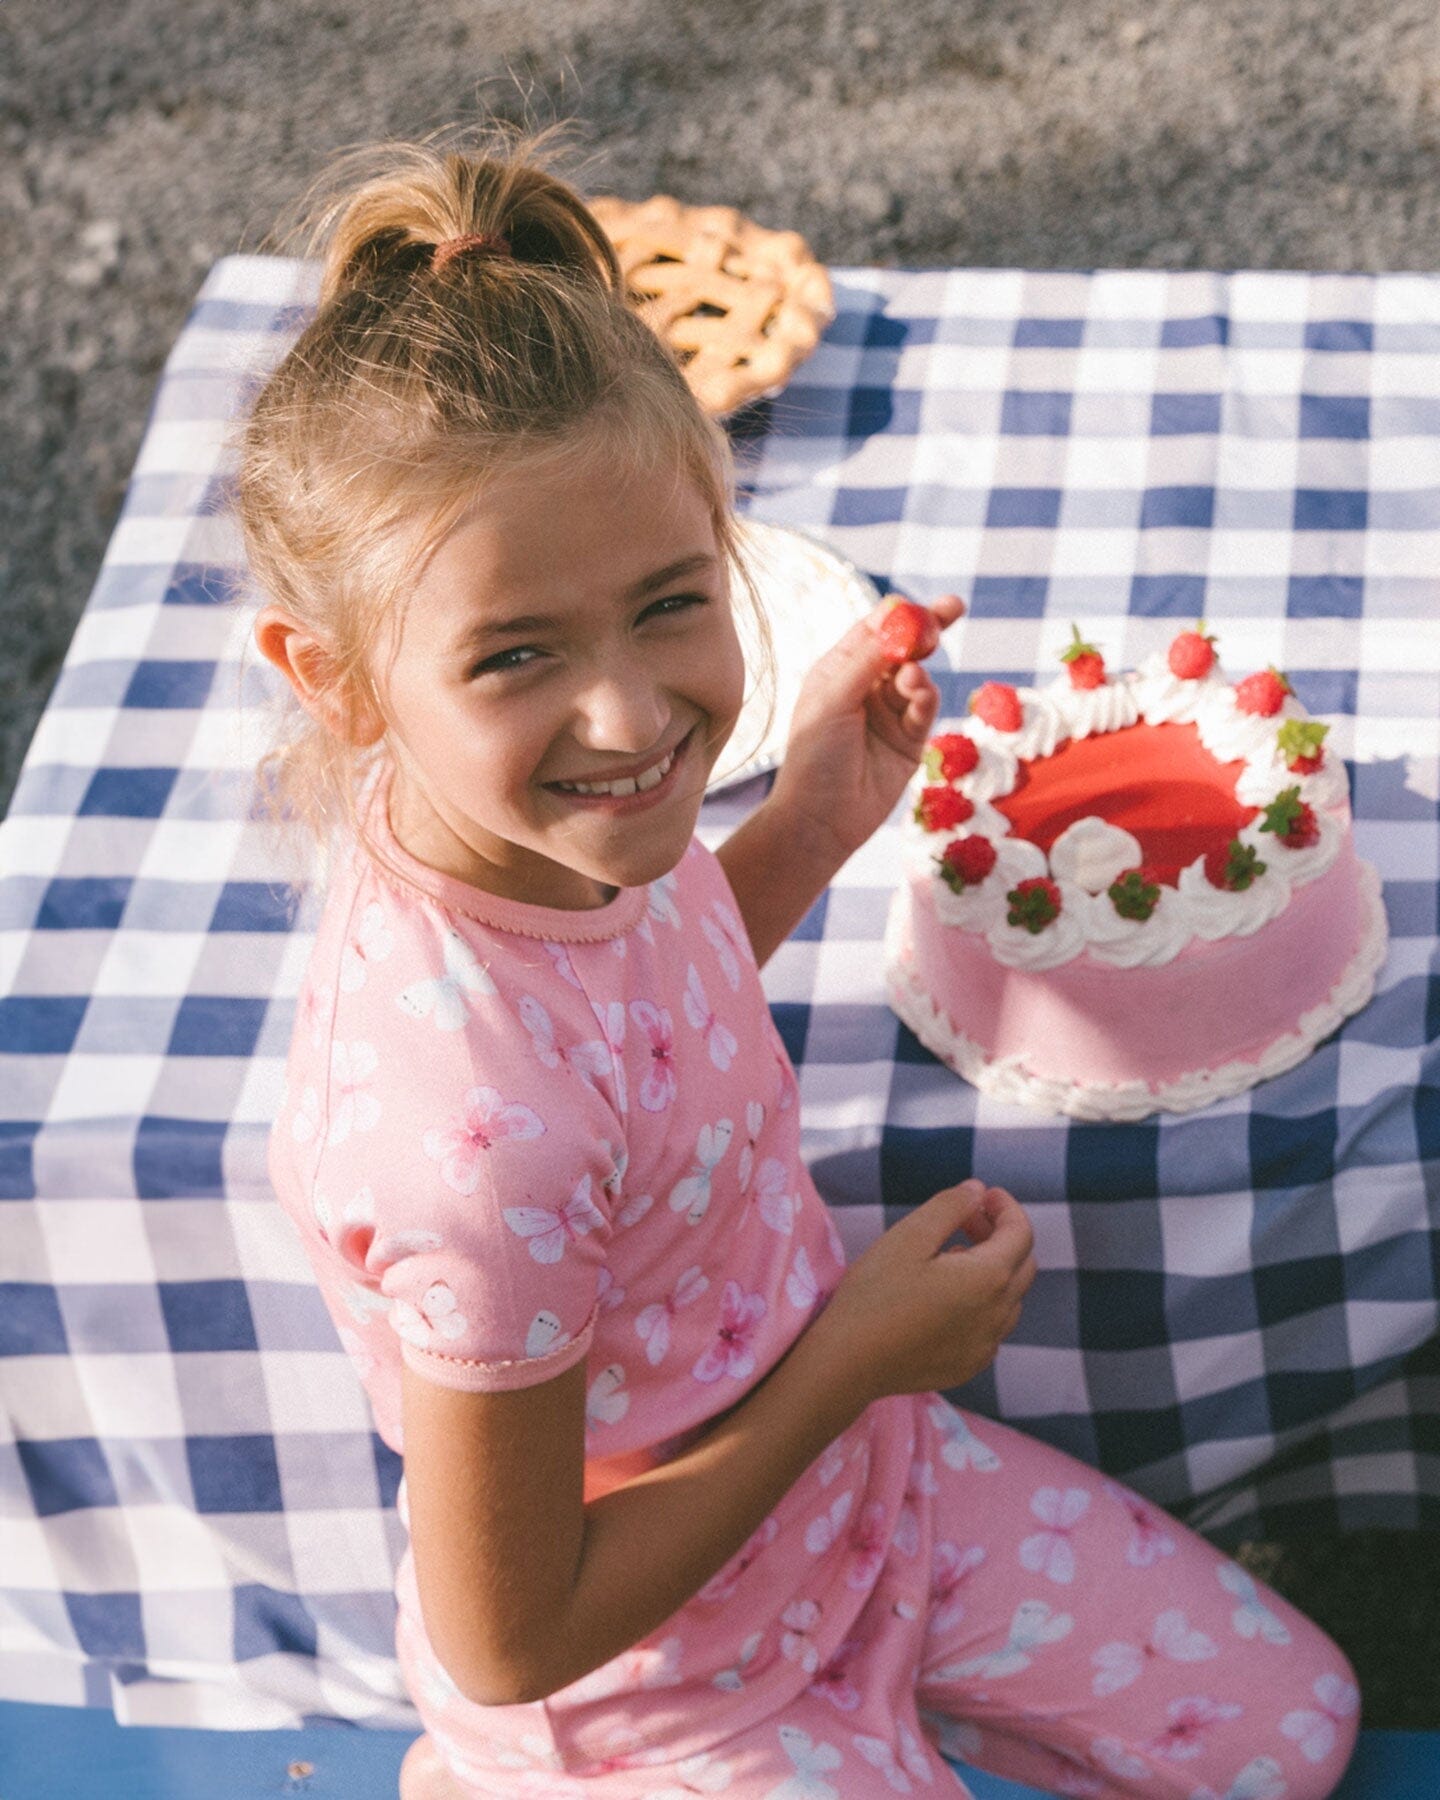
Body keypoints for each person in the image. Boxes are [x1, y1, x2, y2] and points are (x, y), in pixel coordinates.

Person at [241, 128, 1360, 1800]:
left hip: (865, 1509)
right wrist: (860, 1356)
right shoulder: (464, 1143)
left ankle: (912, 1723)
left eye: (674, 604)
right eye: (517, 653)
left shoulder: (540, 843)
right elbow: (510, 1637)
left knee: (1294, 1734)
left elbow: (649, 1013)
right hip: (659, 1686)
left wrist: (818, 816)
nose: (630, 719)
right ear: (333, 682)